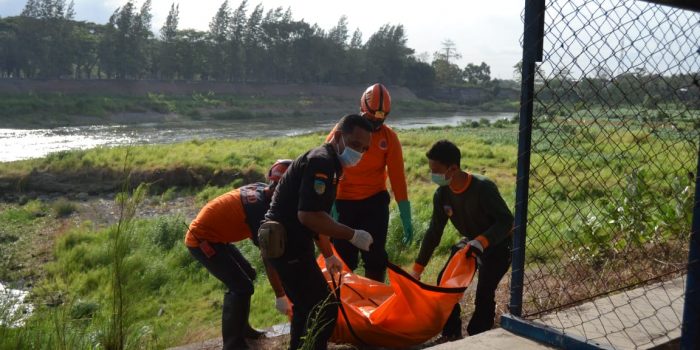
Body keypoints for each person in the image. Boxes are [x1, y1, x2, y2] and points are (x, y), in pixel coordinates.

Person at [263, 114, 374, 350]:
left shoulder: (331, 164)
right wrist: (352, 234)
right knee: (325, 309)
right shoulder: (322, 162)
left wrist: (330, 254)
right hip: (288, 246)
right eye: (355, 145)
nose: (359, 153)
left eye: (364, 148)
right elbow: (309, 215)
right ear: (337, 137)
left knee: (306, 308)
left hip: (290, 245)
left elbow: (317, 218)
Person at [410, 140, 513, 342]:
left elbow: (507, 221)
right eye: (430, 169)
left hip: (499, 244)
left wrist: (483, 241)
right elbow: (434, 232)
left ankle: (478, 337)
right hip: (470, 242)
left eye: (436, 170)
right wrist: (417, 269)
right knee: (445, 283)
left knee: (484, 291)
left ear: (453, 168)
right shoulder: (442, 194)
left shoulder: (483, 188)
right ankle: (451, 333)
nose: (432, 175)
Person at [185, 159, 293, 350]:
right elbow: (268, 257)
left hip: (217, 237)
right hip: (202, 240)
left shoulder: (263, 191)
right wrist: (280, 295)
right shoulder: (260, 209)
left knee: (248, 275)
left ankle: (243, 330)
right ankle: (233, 344)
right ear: (280, 188)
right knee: (241, 286)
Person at [325, 83, 413, 283]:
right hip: (343, 203)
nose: (374, 125)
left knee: (375, 257)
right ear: (362, 110)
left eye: (379, 121)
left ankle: (374, 299)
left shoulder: (389, 138)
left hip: (374, 203)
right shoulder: (343, 130)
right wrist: (329, 204)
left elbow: (398, 178)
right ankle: (343, 303)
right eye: (371, 119)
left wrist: (406, 215)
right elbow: (327, 163)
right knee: (343, 258)